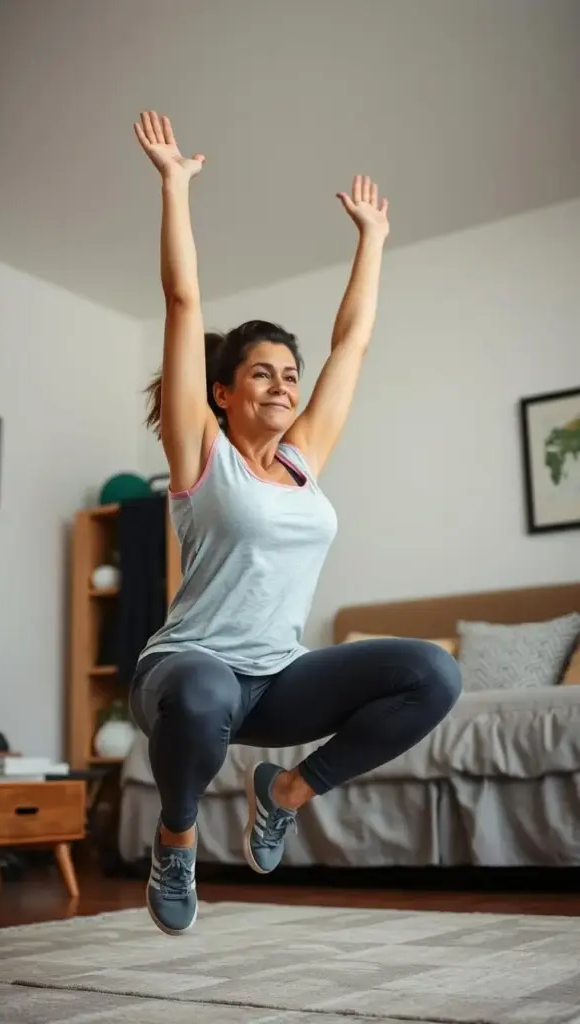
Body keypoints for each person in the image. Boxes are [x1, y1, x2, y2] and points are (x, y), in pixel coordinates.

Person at [130, 110, 462, 937]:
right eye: (260, 374)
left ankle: (285, 793)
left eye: (288, 374)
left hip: (276, 683)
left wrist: (373, 241)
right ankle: (176, 839)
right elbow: (182, 299)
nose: (281, 386)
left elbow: (352, 341)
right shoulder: (201, 455)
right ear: (222, 392)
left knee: (432, 673)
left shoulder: (306, 454)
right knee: (206, 689)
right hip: (186, 673)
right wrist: (175, 186)